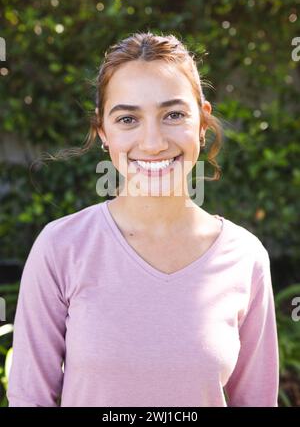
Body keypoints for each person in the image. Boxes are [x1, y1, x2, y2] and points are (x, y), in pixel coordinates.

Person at [7, 31, 279, 407]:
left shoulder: (246, 258)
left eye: (173, 115)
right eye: (128, 119)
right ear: (103, 131)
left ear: (202, 122)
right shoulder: (60, 248)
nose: (152, 142)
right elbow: (30, 399)